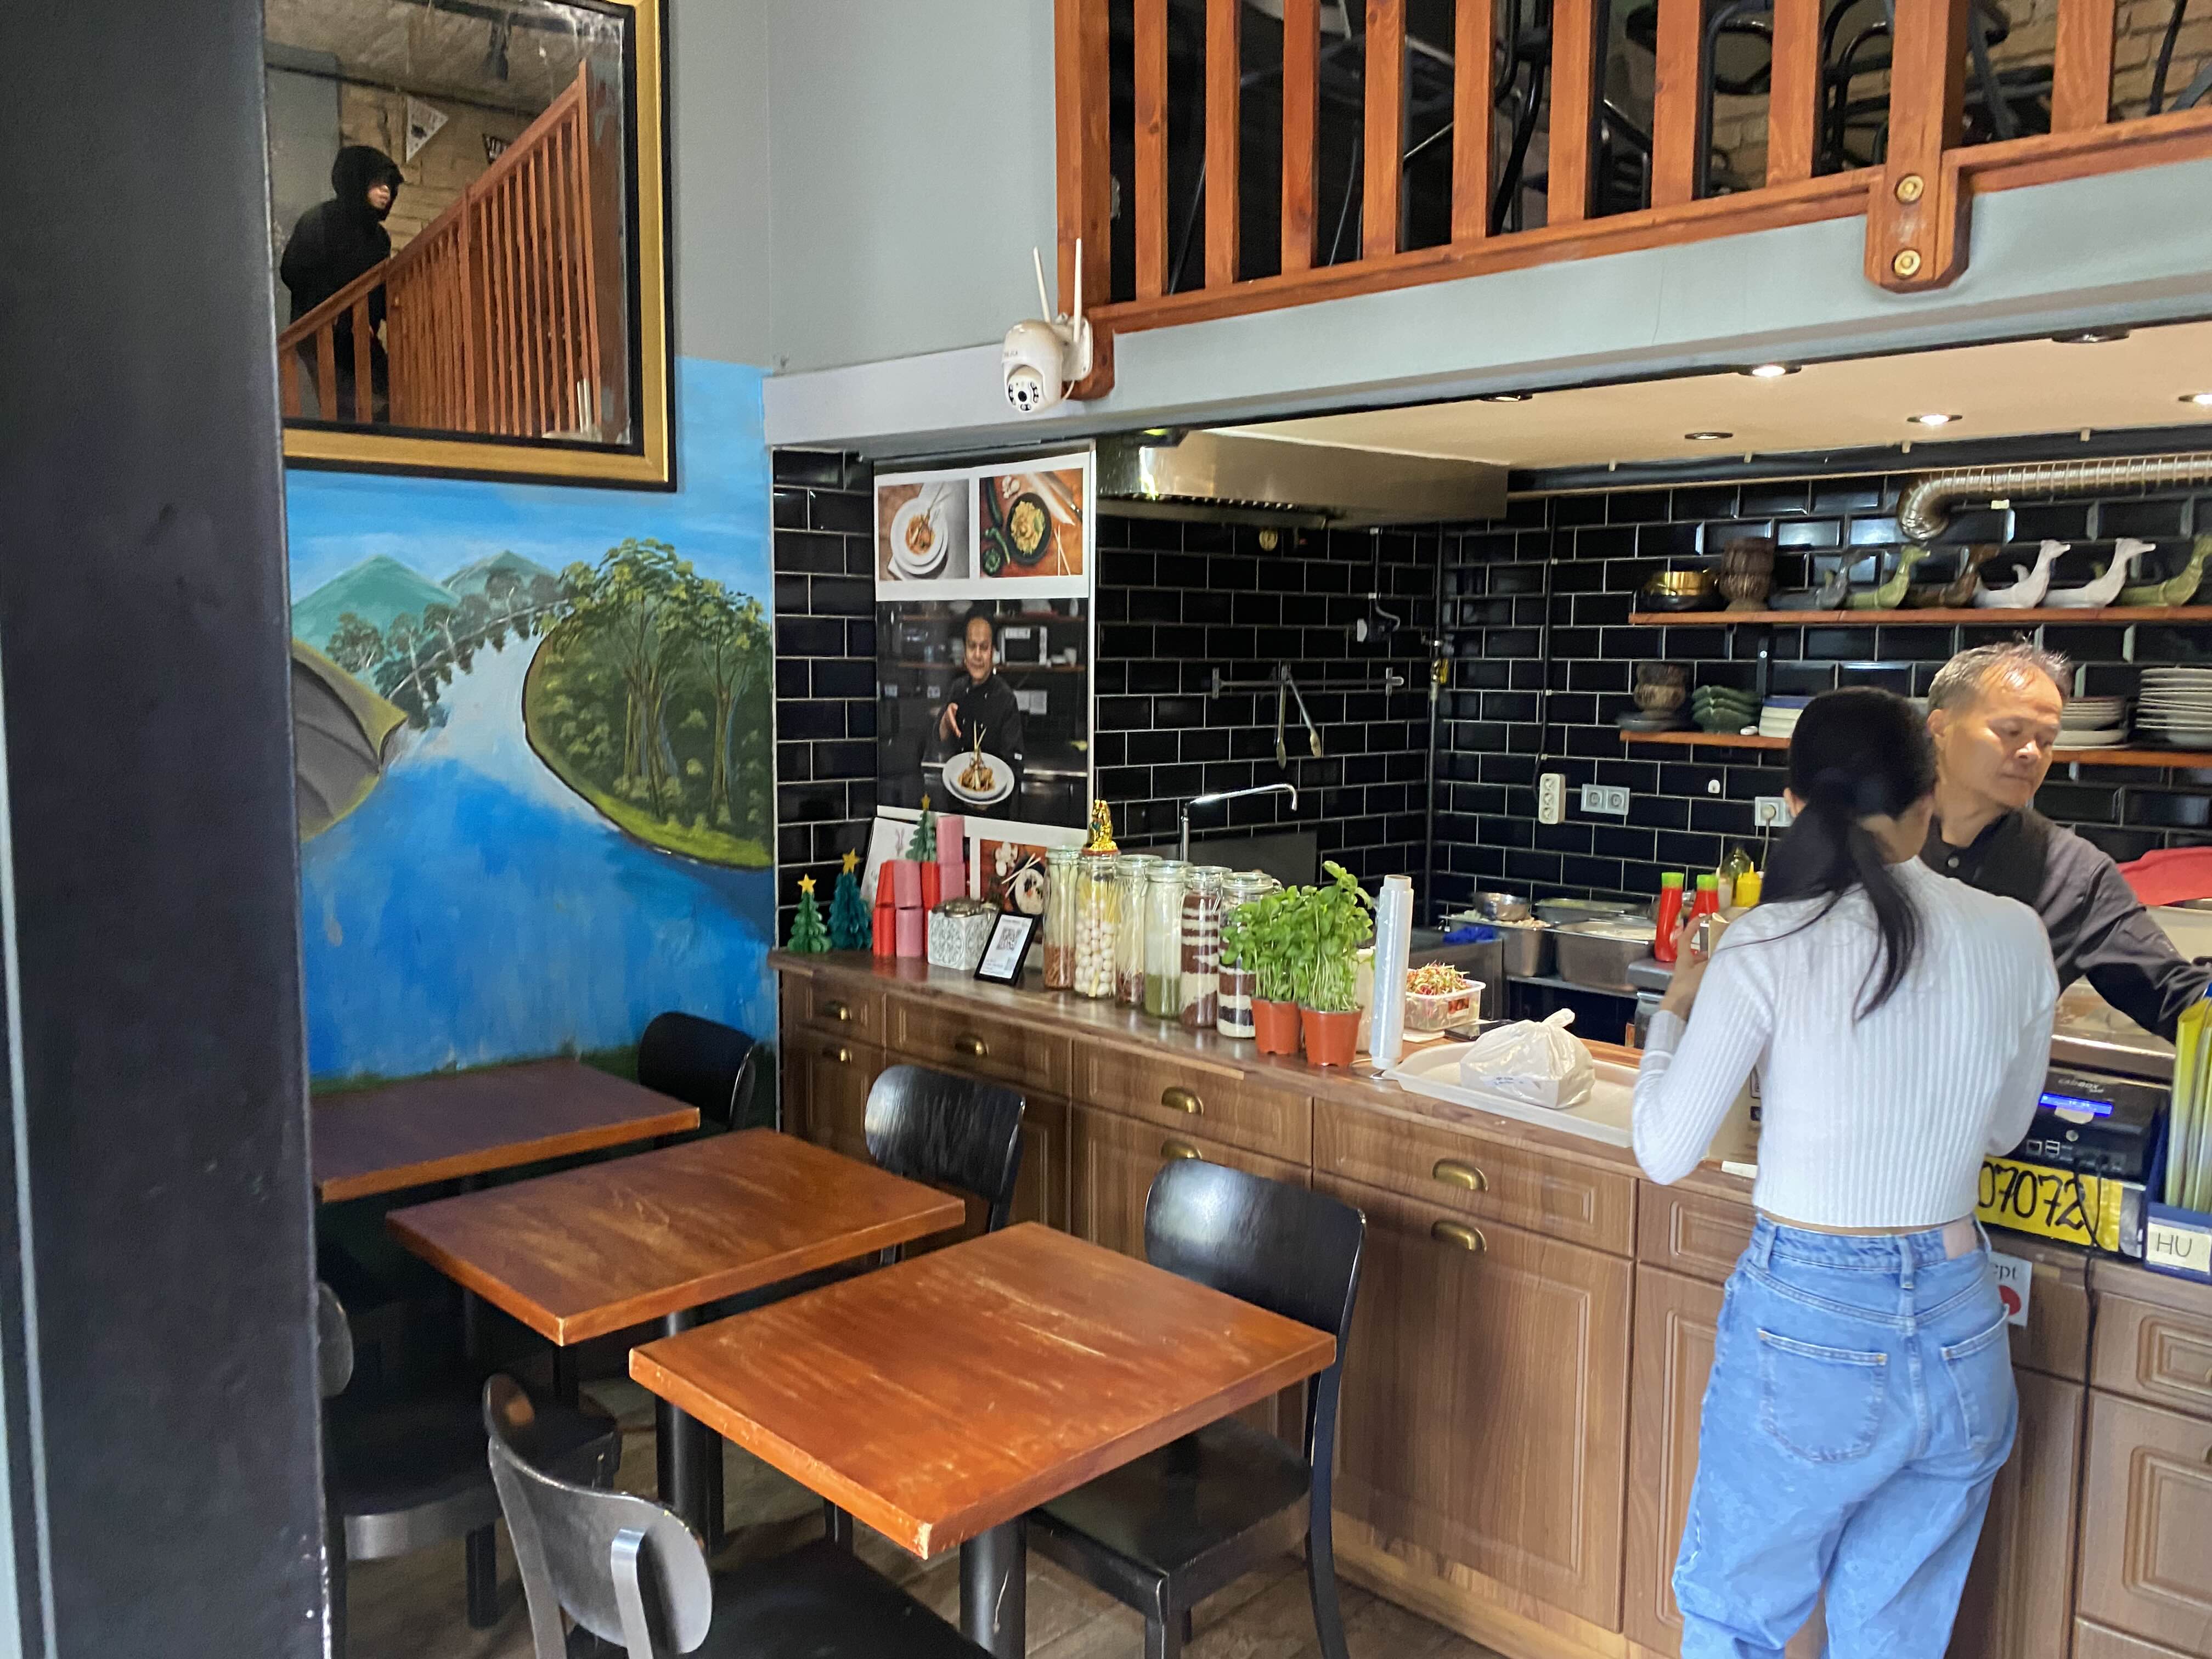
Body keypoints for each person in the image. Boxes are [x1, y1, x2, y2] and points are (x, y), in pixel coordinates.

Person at [1633, 687, 2057, 1659]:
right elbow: (2001, 1130)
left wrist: (1674, 1012)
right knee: (1892, 1637)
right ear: (1927, 799)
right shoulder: (2015, 934)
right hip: (1962, 1317)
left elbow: (1664, 1148)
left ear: (1794, 805)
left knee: (1736, 1622)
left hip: (1811, 1321)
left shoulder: (1767, 941)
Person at [1921, 641, 2210, 1039]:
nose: (2030, 753)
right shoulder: (1867, 834)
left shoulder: (2076, 875)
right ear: (1939, 727)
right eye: (2011, 731)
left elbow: (2174, 995)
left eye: (2046, 740)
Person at [279, 145, 404, 421]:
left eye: (390, 186)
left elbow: (377, 288)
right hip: (321, 330)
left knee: (390, 399)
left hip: (358, 334)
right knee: (348, 406)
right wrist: (332, 310)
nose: (386, 191)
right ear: (358, 181)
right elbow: (293, 270)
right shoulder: (321, 220)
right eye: (377, 183)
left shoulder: (379, 238)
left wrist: (387, 312)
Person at [929, 610, 1025, 799]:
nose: (978, 655)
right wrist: (945, 721)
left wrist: (990, 797)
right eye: (972, 646)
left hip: (994, 807)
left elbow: (1016, 766)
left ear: (993, 652)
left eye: (984, 647)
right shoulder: (957, 689)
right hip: (957, 801)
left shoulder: (1006, 699)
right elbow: (938, 740)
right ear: (965, 652)